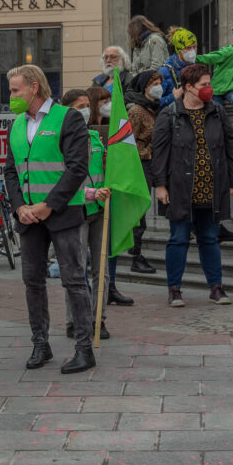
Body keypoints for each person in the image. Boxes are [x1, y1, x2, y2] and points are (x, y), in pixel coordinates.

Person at [4, 65, 95, 374]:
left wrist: (48, 205)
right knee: (32, 282)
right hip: (28, 217)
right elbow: (10, 171)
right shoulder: (16, 124)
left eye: (15, 90)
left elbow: (77, 168)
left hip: (62, 214)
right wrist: (19, 207)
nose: (11, 96)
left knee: (73, 280)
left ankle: (84, 348)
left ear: (33, 88)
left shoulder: (67, 118)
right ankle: (40, 344)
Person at [151, 64, 233, 308]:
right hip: (180, 188)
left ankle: (216, 287)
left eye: (209, 83)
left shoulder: (217, 112)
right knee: (178, 239)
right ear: (188, 87)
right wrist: (160, 185)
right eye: (203, 84)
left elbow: (230, 147)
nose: (208, 89)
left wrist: (232, 180)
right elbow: (159, 153)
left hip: (211, 188)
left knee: (210, 238)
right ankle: (175, 289)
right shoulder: (170, 114)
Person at [59, 89, 113, 341]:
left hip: (100, 212)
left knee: (101, 271)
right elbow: (60, 178)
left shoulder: (95, 136)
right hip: (76, 211)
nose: (83, 110)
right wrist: (90, 193)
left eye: (86, 106)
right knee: (76, 270)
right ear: (66, 109)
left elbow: (103, 171)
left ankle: (97, 319)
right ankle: (74, 320)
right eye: (78, 106)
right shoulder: (59, 140)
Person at [83, 85, 132, 305]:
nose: (107, 105)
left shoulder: (115, 128)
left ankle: (109, 287)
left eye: (109, 100)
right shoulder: (86, 130)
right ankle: (88, 297)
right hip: (88, 199)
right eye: (102, 101)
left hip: (109, 194)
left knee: (109, 248)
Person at [125, 70, 163, 275]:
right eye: (154, 83)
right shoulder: (137, 111)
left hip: (151, 160)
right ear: (144, 87)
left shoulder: (153, 109)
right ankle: (135, 255)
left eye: (159, 82)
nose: (158, 86)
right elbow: (128, 141)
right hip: (140, 162)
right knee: (139, 210)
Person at [196, 23, 233, 143]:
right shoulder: (231, 52)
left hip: (231, 88)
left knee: (232, 102)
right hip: (218, 88)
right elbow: (213, 57)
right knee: (219, 108)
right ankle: (220, 131)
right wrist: (195, 59)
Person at [157, 28, 199, 109]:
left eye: (194, 47)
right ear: (178, 50)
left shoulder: (197, 69)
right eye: (188, 48)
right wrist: (173, 97)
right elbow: (154, 103)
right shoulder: (165, 72)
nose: (192, 51)